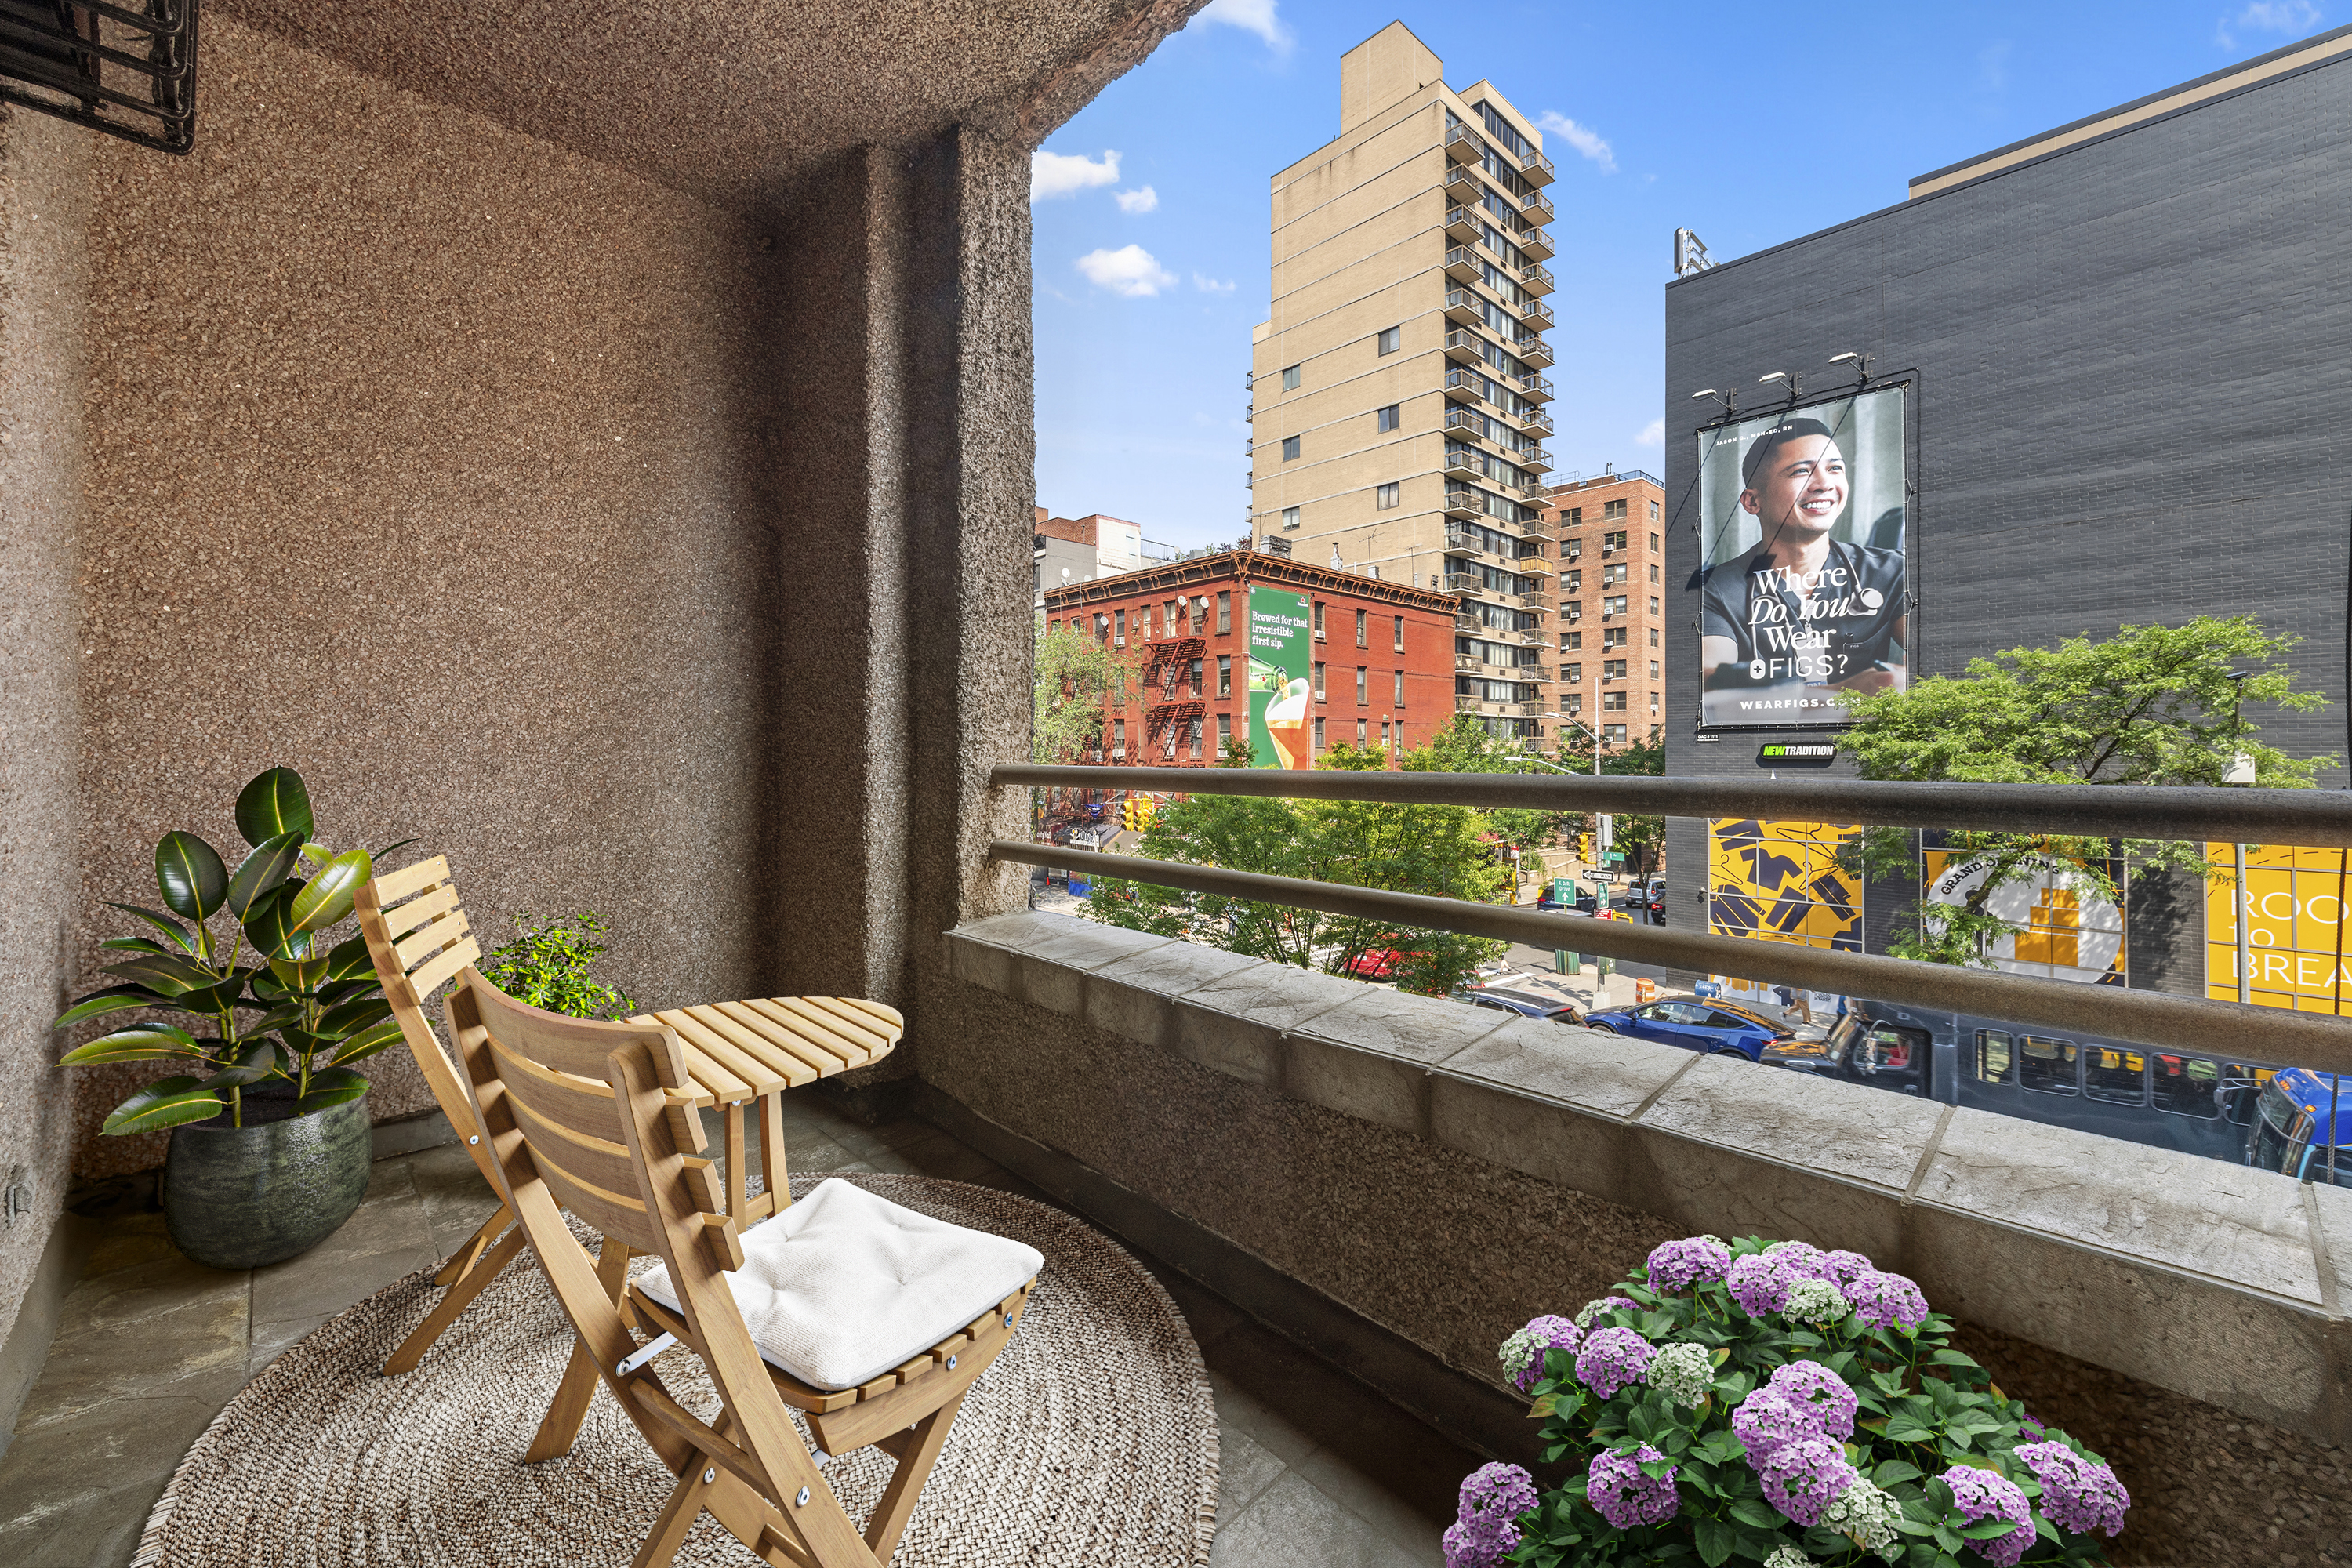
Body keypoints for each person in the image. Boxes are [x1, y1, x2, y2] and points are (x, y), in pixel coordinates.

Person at [1699, 417, 1905, 720]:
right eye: (1801, 471)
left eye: (1835, 468)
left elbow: (1938, 659)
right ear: (1753, 501)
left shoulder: (1890, 572)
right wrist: (1842, 695)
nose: (1824, 484)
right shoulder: (1716, 588)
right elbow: (1709, 680)